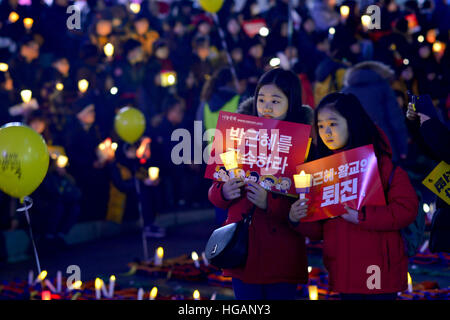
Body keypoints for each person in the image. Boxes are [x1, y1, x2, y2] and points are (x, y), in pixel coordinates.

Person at [291, 92, 418, 300]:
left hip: (379, 269)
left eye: (333, 124)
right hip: (344, 269)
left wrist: (362, 216)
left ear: (352, 123)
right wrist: (298, 218)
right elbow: (318, 230)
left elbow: (406, 209)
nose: (326, 132)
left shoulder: (382, 165)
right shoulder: (321, 173)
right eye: (321, 126)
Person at [208, 68, 313, 300]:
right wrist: (224, 191)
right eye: (261, 99)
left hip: (281, 254)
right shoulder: (237, 134)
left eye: (276, 101)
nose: (266, 107)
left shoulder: (304, 143)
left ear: (291, 102)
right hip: (242, 251)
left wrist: (270, 203)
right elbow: (215, 192)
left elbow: (308, 206)